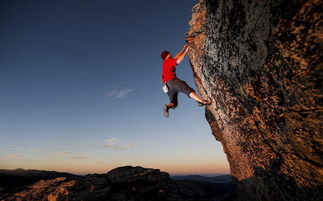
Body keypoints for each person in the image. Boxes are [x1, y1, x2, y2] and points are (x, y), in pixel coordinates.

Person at [161, 44, 211, 118]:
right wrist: (186, 51)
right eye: (169, 53)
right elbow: (179, 60)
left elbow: (176, 57)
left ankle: (167, 106)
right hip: (173, 81)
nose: (171, 54)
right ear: (167, 55)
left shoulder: (165, 63)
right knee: (187, 90)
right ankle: (201, 101)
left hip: (167, 86)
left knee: (174, 103)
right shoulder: (168, 61)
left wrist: (183, 48)